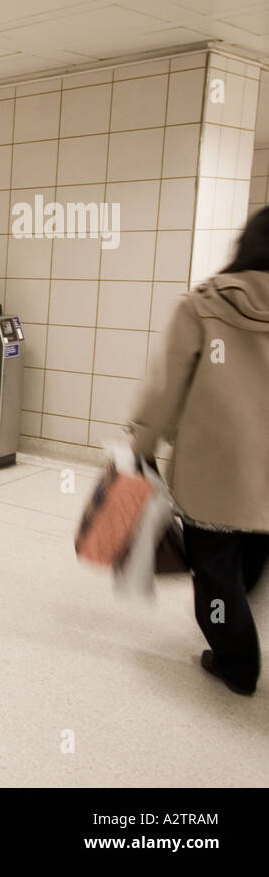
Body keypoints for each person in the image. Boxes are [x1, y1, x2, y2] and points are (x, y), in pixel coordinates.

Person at [129, 206, 269, 697]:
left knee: (214, 567)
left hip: (216, 468)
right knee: (254, 548)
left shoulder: (203, 305)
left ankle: (237, 662)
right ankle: (239, 611)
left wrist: (141, 445)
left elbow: (165, 388)